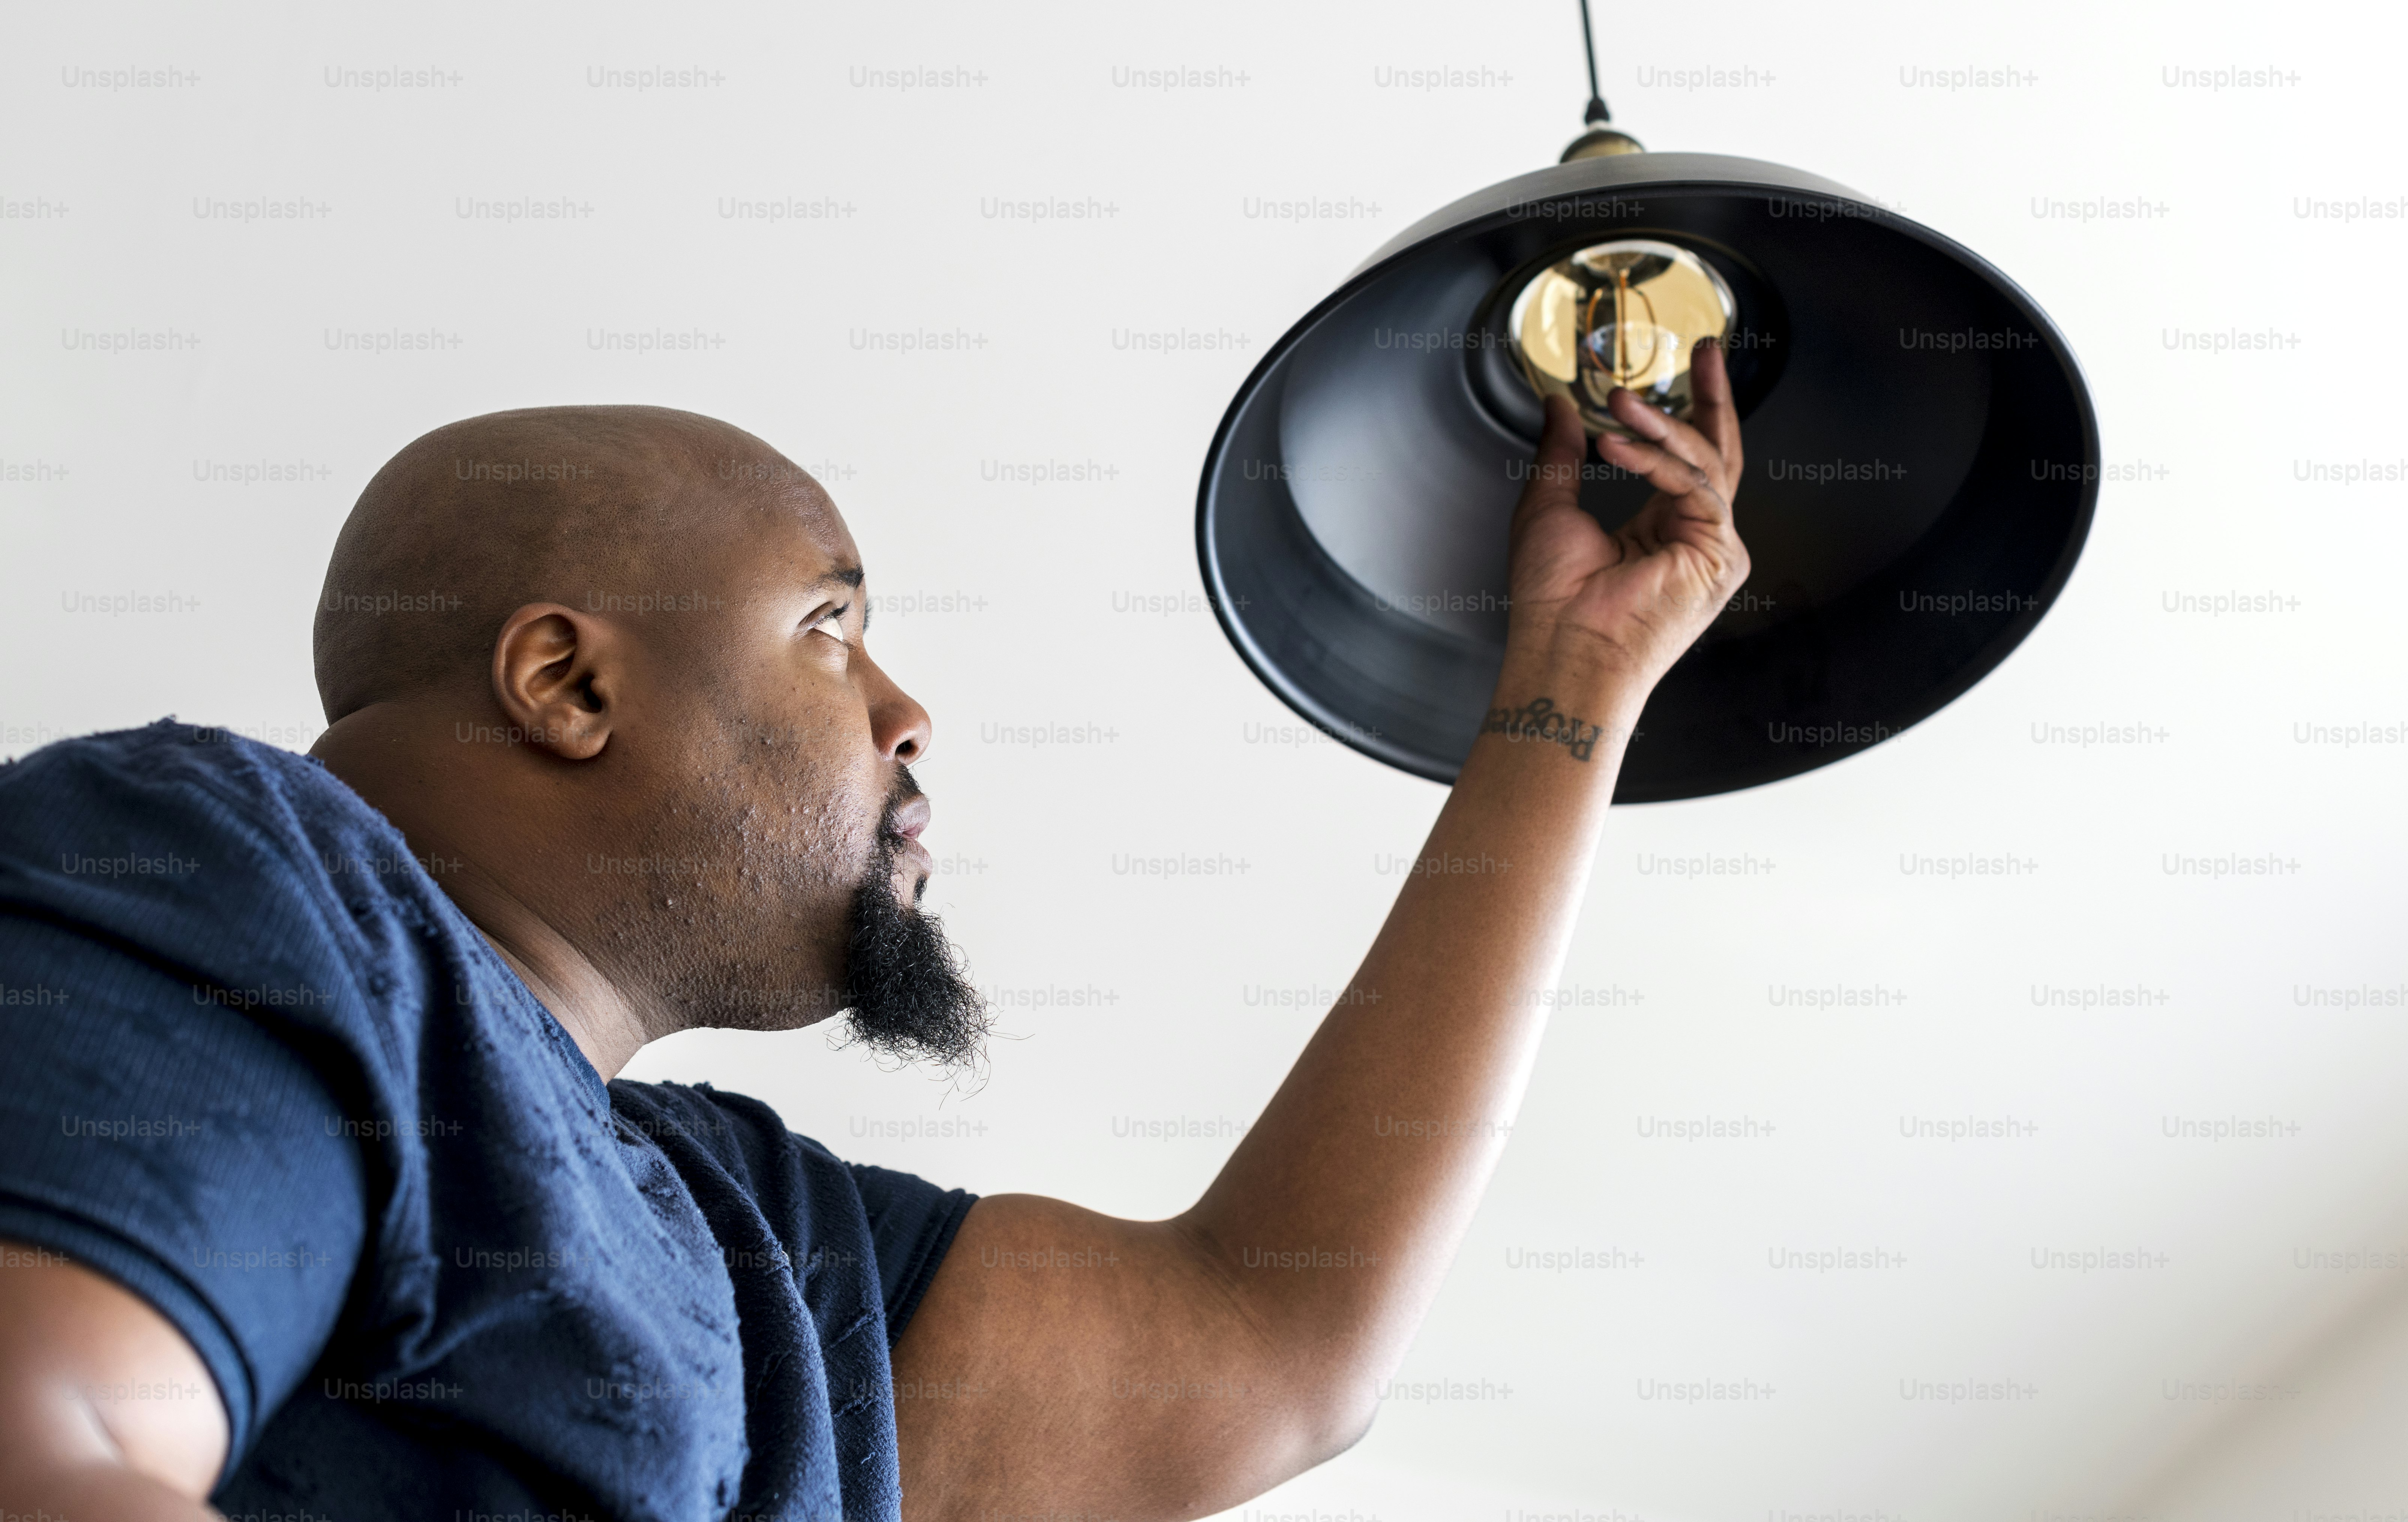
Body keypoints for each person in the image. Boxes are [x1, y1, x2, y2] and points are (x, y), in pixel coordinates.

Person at [0, 348, 1748, 1522]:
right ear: (569, 682)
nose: (908, 713)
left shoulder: (743, 1228)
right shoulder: (235, 868)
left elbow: (1265, 1343)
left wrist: (1574, 684)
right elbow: (50, 1451)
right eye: (833, 622)